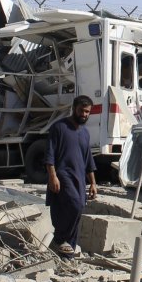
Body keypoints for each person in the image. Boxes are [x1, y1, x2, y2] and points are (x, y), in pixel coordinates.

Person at [45, 95, 97, 258]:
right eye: (81, 110)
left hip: (79, 178)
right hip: (62, 175)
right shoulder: (59, 128)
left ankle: (68, 253)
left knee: (79, 207)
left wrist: (93, 183)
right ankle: (60, 240)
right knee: (74, 205)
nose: (84, 114)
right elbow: (49, 155)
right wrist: (52, 176)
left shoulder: (85, 133)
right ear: (74, 108)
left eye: (87, 112)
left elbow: (88, 160)